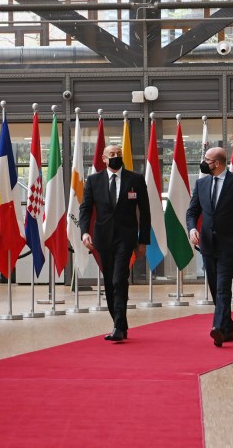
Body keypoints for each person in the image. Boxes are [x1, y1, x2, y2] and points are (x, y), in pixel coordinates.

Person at [186, 146, 233, 347]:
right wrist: (192, 229)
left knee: (223, 288)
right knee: (215, 287)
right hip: (207, 245)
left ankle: (217, 327)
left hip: (229, 245)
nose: (203, 162)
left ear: (217, 163)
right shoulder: (201, 183)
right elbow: (192, 212)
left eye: (206, 160)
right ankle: (227, 328)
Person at [79, 144, 151, 342]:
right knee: (111, 282)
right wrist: (84, 232)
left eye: (119, 154)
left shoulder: (135, 179)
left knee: (119, 279)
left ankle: (118, 327)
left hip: (126, 238)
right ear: (104, 158)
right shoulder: (93, 180)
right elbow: (85, 209)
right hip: (103, 238)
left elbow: (145, 212)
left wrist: (143, 241)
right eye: (112, 154)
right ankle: (120, 324)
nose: (116, 157)